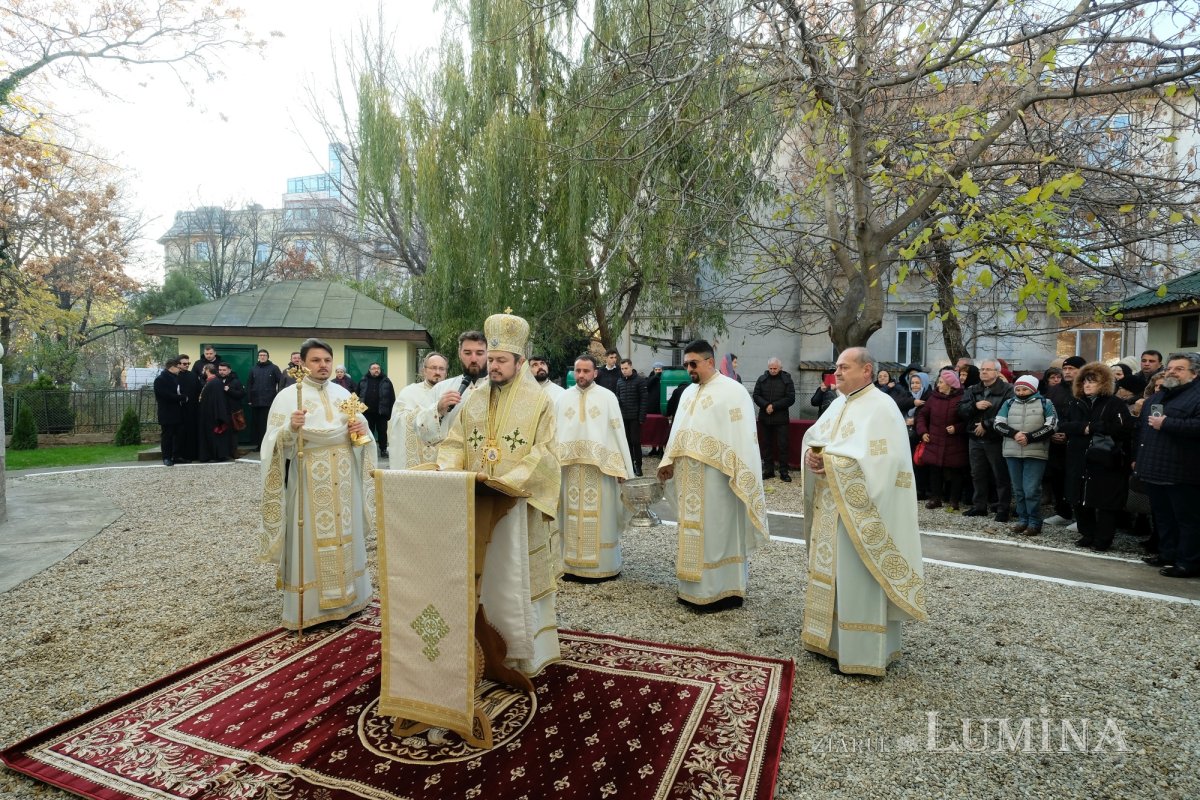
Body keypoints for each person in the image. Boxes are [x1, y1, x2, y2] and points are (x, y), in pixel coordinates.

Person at [438, 310, 561, 675]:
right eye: (490, 360)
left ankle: (523, 653)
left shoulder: (540, 402)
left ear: (519, 362)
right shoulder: (473, 399)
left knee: (515, 574)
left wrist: (513, 481)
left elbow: (547, 453)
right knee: (483, 575)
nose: (492, 366)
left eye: (500, 361)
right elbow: (455, 441)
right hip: (477, 501)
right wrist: (449, 473)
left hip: (516, 503)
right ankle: (481, 647)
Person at [801, 347, 927, 677]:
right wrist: (812, 457)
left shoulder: (882, 408)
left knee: (858, 577)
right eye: (836, 367)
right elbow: (815, 439)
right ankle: (830, 641)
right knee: (836, 575)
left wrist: (830, 461)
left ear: (867, 370)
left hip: (862, 513)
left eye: (844, 367)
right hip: (832, 509)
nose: (837, 372)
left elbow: (886, 464)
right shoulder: (839, 403)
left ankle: (863, 653)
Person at [258, 337, 375, 630]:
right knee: (310, 538)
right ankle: (309, 609)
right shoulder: (288, 397)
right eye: (316, 360)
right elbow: (273, 445)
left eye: (326, 360)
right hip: (310, 479)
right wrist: (289, 427)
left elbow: (362, 438)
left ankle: (350, 599)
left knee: (346, 534)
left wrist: (362, 429)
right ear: (303, 363)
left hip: (345, 478)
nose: (323, 366)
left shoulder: (343, 394)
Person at [657, 340, 768, 612]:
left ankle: (725, 591)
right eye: (686, 365)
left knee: (719, 532)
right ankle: (691, 589)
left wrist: (738, 474)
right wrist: (668, 460)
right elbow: (678, 433)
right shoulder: (687, 393)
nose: (689, 369)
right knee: (692, 531)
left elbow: (742, 440)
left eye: (693, 364)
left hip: (719, 480)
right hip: (689, 479)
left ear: (709, 361)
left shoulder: (733, 392)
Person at [556, 354, 635, 581]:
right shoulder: (562, 399)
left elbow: (617, 433)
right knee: (569, 517)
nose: (581, 375)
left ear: (595, 373)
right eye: (577, 371)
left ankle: (603, 567)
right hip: (569, 470)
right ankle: (570, 566)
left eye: (586, 371)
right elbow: (554, 434)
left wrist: (622, 468)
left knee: (602, 516)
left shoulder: (607, 397)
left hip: (601, 471)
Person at [1134, 353, 1200, 577]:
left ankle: (1188, 562)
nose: (1172, 372)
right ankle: (1167, 554)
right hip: (1154, 468)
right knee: (1163, 517)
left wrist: (1169, 423)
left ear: (1195, 373)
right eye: (1170, 368)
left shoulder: (1196, 396)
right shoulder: (1158, 397)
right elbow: (1144, 430)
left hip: (1183, 471)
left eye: (1179, 369)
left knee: (1187, 520)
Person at [1059, 361, 1133, 551]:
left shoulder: (1115, 403)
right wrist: (1086, 427)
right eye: (1085, 382)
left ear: (1104, 384)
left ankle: (1103, 539)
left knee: (1105, 501)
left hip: (1105, 458)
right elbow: (1064, 424)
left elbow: (1123, 429)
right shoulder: (1076, 402)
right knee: (1079, 498)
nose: (1088, 385)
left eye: (1093, 382)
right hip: (1078, 456)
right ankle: (1088, 533)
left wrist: (1093, 427)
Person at [993, 375, 1058, 536]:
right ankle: (1022, 520)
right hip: (1012, 451)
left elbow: (1052, 425)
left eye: (1025, 389)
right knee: (1019, 489)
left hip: (1035, 452)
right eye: (1018, 389)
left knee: (1031, 490)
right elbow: (998, 423)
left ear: (1033, 389)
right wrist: (1014, 434)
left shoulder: (1046, 403)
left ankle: (1035, 521)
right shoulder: (1009, 403)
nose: (1021, 392)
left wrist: (1029, 437)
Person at [958, 358, 1014, 521]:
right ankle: (979, 506)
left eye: (988, 369)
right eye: (982, 369)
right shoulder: (972, 389)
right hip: (974, 438)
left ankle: (1003, 508)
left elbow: (1008, 413)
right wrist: (975, 406)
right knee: (977, 473)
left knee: (1000, 475)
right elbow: (961, 409)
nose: (983, 372)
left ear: (997, 373)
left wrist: (986, 424)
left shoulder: (1007, 390)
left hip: (995, 438)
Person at [415, 330, 489, 451]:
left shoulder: (499, 388)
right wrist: (438, 409)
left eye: (479, 353)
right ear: (460, 354)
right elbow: (421, 432)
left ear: (488, 354)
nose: (474, 359)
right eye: (467, 353)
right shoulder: (442, 388)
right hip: (450, 463)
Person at [915, 369, 969, 511]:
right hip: (934, 441)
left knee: (956, 472)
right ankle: (935, 499)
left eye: (941, 382)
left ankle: (954, 501)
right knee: (935, 471)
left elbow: (968, 420)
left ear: (950, 384)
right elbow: (922, 416)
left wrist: (957, 428)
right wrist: (923, 432)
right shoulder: (933, 398)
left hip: (955, 443)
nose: (938, 385)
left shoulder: (962, 398)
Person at [1042, 356, 1084, 526]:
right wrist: (1051, 432)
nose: (1067, 372)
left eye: (1072, 369)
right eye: (1065, 369)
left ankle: (1081, 517)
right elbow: (1046, 413)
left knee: (1077, 479)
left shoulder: (1085, 389)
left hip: (1077, 442)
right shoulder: (1054, 390)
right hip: (1055, 441)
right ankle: (1063, 512)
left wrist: (1069, 434)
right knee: (1057, 478)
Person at [388, 352, 449, 467]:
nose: (437, 372)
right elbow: (397, 421)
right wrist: (434, 411)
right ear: (424, 370)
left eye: (442, 369)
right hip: (417, 460)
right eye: (433, 368)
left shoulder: (452, 392)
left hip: (444, 458)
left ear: (446, 373)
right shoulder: (409, 392)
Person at [752, 357, 796, 481]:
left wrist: (774, 406)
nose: (772, 371)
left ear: (780, 368)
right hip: (765, 418)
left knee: (783, 446)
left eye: (775, 368)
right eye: (770, 368)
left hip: (781, 419)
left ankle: (783, 472)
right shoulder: (762, 379)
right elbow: (756, 395)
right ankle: (768, 470)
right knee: (766, 445)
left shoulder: (787, 380)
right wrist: (766, 405)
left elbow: (791, 398)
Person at [616, 358, 648, 476]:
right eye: (622, 369)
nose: (624, 371)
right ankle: (629, 465)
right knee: (627, 442)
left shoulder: (640, 381)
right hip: (624, 417)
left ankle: (638, 466)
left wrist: (641, 418)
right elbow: (617, 396)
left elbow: (644, 400)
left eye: (626, 368)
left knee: (636, 442)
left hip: (635, 417)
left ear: (631, 367)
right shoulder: (619, 381)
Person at [357, 363, 395, 459]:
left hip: (381, 412)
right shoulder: (363, 380)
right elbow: (357, 396)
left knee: (382, 432)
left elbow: (392, 398)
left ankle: (383, 450)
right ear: (369, 370)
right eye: (374, 368)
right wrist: (358, 411)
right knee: (368, 431)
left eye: (378, 368)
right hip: (367, 412)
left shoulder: (386, 381)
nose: (376, 370)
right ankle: (367, 450)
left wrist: (389, 413)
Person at [247, 349, 284, 449]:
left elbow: (280, 382)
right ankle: (259, 445)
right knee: (257, 425)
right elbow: (249, 384)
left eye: (264, 355)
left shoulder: (274, 368)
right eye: (260, 355)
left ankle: (268, 446)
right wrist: (249, 399)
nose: (262, 357)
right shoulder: (253, 369)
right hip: (255, 401)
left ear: (268, 357)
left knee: (266, 425)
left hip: (269, 401)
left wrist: (278, 397)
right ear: (258, 357)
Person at [198, 364, 233, 462]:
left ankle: (216, 456)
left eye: (204, 369)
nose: (203, 371)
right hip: (209, 414)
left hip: (212, 415)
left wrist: (219, 416)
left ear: (207, 370)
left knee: (214, 436)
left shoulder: (214, 382)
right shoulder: (212, 382)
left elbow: (218, 401)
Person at [153, 357, 185, 466]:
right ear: (172, 367)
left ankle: (176, 456)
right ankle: (166, 457)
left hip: (178, 412)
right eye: (178, 367)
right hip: (167, 413)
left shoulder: (176, 377)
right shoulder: (160, 379)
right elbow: (165, 395)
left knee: (178, 436)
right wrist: (181, 397)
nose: (180, 369)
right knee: (167, 436)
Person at [175, 354, 201, 464]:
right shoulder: (175, 376)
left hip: (193, 409)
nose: (187, 365)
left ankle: (193, 454)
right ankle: (180, 455)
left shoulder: (193, 376)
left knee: (192, 432)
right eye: (184, 364)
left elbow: (199, 390)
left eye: (188, 363)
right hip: (179, 410)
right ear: (178, 364)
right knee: (180, 433)